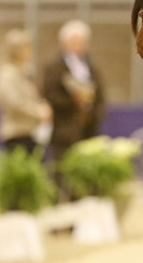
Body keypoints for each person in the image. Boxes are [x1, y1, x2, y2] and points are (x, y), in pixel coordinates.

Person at [42, 19, 105, 197]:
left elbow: (100, 96)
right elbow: (50, 94)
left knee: (84, 177)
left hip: (87, 129)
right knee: (60, 174)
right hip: (63, 130)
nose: (78, 45)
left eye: (81, 41)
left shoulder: (91, 68)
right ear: (64, 43)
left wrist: (92, 112)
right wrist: (74, 102)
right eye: (74, 41)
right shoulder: (54, 67)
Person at [0, 29, 52, 154]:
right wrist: (36, 112)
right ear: (16, 50)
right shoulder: (7, 73)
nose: (30, 52)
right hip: (16, 133)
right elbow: (13, 102)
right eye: (26, 48)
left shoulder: (26, 71)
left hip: (31, 132)